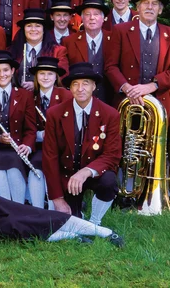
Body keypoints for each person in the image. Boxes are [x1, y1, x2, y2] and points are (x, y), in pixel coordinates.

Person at [43, 62, 121, 226]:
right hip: (67, 176)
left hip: (93, 174)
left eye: (85, 83)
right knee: (72, 223)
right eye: (75, 84)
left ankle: (95, 221)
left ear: (94, 86)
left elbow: (112, 155)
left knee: (109, 181)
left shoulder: (110, 114)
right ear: (70, 89)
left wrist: (86, 172)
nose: (80, 88)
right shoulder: (54, 114)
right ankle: (79, 212)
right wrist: (57, 199)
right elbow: (50, 157)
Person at [104, 0, 170, 115]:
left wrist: (152, 86)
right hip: (127, 100)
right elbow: (110, 66)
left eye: (154, 4)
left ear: (160, 10)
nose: (149, 7)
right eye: (145, 3)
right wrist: (127, 89)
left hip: (160, 103)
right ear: (138, 7)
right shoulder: (120, 31)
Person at [0, 50, 36, 204]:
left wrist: (27, 145)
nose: (2, 74)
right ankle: (7, 215)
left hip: (17, 150)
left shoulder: (25, 96)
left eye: (6, 70)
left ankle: (18, 211)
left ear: (13, 71)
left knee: (14, 174)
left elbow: (30, 129)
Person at [27, 57, 70, 209]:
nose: (45, 77)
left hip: (63, 148)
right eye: (42, 74)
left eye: (50, 74)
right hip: (41, 146)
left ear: (56, 77)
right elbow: (29, 128)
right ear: (36, 77)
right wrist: (41, 135)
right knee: (36, 165)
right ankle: (38, 210)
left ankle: (55, 210)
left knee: (55, 164)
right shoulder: (30, 98)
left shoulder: (66, 96)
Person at [62, 0, 113, 104]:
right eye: (87, 14)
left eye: (96, 14)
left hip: (110, 100)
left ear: (103, 18)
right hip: (78, 101)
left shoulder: (114, 39)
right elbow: (65, 72)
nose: (92, 18)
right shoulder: (69, 42)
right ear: (82, 18)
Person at [9, 8, 69, 89]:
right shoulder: (12, 51)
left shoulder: (58, 51)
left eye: (38, 26)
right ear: (23, 29)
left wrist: (38, 85)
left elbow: (63, 77)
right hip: (19, 98)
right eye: (29, 26)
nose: (33, 29)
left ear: (43, 30)